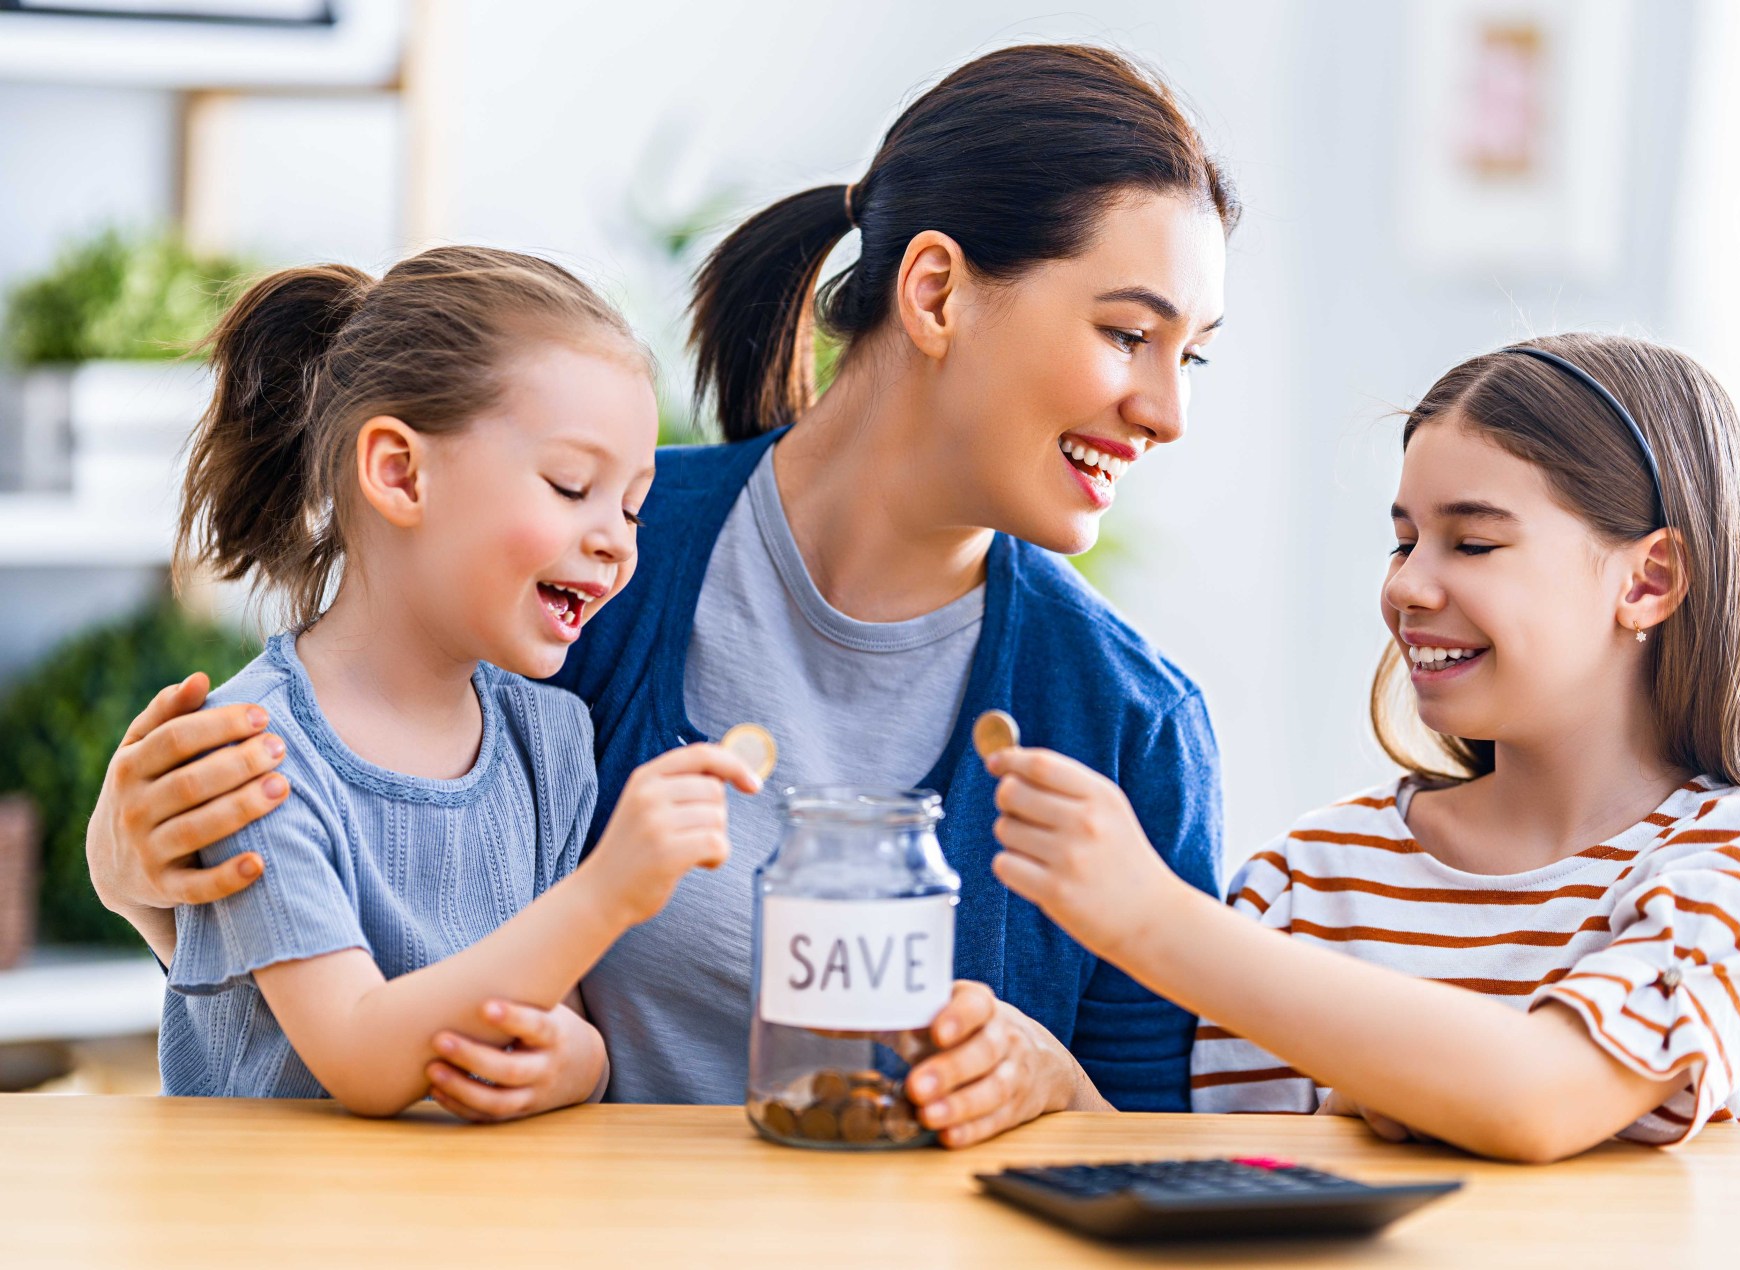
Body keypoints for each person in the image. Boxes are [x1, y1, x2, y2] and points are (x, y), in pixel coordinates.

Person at [88, 43, 1237, 1145]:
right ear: (933, 291)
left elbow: (1145, 1153)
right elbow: (352, 969)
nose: (1166, 411)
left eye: (1187, 357)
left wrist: (1053, 1084)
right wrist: (147, 882)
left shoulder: (1129, 723)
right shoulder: (575, 578)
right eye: (1127, 333)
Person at [984, 333, 1740, 1161]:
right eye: (1403, 542)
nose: (1408, 588)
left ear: (1648, 579)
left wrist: (1151, 918)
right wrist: (1064, 1095)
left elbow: (1541, 1096)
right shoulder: (1312, 880)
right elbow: (1234, 1195)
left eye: (1471, 542)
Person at [155, 246, 759, 1116]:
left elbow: (566, 1015)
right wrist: (608, 890)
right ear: (400, 472)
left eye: (631, 505)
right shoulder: (251, 751)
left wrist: (574, 1065)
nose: (617, 540)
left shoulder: (548, 742)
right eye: (571, 485)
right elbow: (359, 1053)